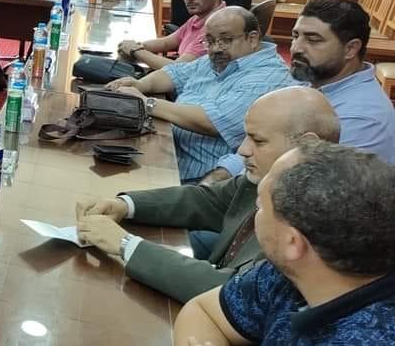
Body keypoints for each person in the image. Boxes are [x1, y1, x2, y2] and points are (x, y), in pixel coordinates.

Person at [75, 86, 340, 304]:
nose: (242, 150)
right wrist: (125, 205)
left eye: (258, 141)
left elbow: (232, 294)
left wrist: (125, 244)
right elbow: (206, 200)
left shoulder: (313, 224)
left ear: (307, 145)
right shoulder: (268, 179)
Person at [174, 142, 395, 345]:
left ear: (293, 243)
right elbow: (203, 312)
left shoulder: (367, 337)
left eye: (260, 206)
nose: (255, 213)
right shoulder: (293, 272)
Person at [208, 0, 395, 182]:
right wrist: (219, 176)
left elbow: (304, 189)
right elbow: (256, 144)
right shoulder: (311, 81)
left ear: (351, 49)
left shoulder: (362, 119)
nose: (296, 48)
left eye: (312, 40)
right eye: (295, 36)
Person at [107, 6, 296, 183]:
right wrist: (140, 84)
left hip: (196, 177)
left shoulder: (268, 77)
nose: (215, 48)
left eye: (225, 40)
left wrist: (146, 103)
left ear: (252, 38)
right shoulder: (221, 58)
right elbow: (175, 73)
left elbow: (211, 122)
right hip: (166, 148)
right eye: (210, 41)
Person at [118, 0, 225, 71]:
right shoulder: (199, 18)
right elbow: (166, 42)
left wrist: (136, 51)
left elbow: (179, 69)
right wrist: (135, 46)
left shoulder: (218, 28)